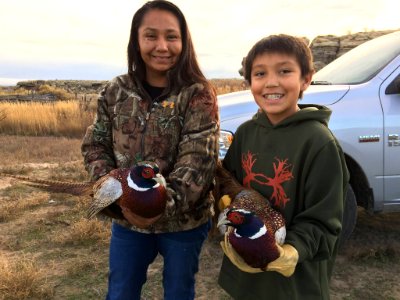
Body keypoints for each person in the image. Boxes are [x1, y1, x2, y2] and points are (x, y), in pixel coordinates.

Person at [81, 1, 219, 299]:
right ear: (136, 40)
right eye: (151, 36)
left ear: (184, 42)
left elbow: (199, 160)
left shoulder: (198, 94)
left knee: (179, 292)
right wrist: (121, 202)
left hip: (184, 223)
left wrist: (155, 206)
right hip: (127, 222)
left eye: (171, 36)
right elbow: (95, 146)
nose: (162, 46)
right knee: (120, 292)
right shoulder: (115, 91)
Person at [217, 34, 349, 299]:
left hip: (293, 284)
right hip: (246, 278)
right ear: (250, 82)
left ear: (306, 79)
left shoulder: (319, 143)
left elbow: (324, 222)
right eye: (260, 73)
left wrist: (290, 252)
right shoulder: (245, 133)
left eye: (285, 71)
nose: (272, 82)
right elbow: (227, 189)